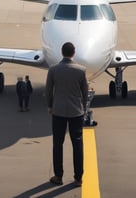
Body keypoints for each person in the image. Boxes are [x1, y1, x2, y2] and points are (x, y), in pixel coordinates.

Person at [45, 42, 88, 187]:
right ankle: (78, 178)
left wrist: (50, 106)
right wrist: (83, 106)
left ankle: (58, 176)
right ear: (73, 53)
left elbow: (49, 91)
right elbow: (85, 93)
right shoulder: (81, 70)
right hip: (76, 112)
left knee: (58, 144)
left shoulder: (53, 70)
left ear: (62, 52)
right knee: (77, 144)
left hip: (58, 111)